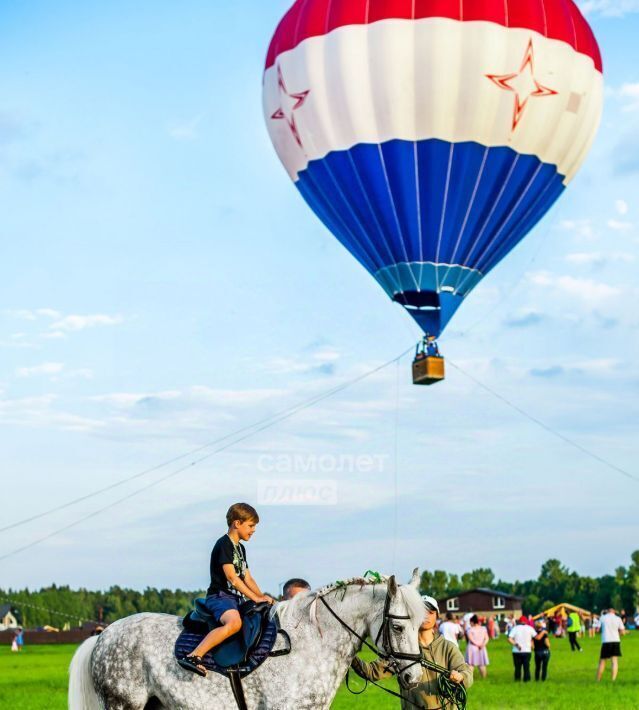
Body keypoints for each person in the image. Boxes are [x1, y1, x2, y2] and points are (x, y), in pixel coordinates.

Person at [178, 503, 273, 676]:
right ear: (237, 523)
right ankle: (194, 655)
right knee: (234, 623)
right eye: (251, 526)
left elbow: (248, 578)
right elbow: (232, 578)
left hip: (235, 599)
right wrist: (255, 598)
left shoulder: (240, 549)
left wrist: (262, 597)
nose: (253, 530)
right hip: (220, 597)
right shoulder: (224, 544)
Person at [351, 595, 473, 709]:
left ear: (437, 616)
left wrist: (460, 676)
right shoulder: (402, 649)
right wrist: (349, 655)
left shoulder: (448, 647)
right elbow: (372, 672)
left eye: (430, 612)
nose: (426, 616)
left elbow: (466, 672)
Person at [596, 608, 626, 682]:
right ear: (614, 612)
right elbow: (623, 632)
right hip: (615, 641)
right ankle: (613, 680)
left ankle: (598, 680)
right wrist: (617, 633)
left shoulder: (602, 618)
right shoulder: (618, 618)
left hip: (606, 641)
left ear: (607, 611)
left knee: (602, 661)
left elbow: (597, 630)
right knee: (614, 661)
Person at [508, 617, 536, 682]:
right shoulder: (530, 628)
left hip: (516, 651)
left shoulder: (515, 628)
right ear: (526, 621)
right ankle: (527, 680)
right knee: (526, 667)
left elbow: (509, 639)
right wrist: (532, 646)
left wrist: (516, 644)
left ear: (519, 621)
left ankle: (517, 680)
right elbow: (535, 637)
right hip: (527, 650)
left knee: (517, 667)